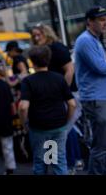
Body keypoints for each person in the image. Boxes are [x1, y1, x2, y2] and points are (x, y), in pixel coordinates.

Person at [74, 6, 106, 175]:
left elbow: (99, 70)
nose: (105, 24)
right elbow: (100, 67)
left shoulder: (94, 40)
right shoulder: (85, 40)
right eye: (101, 20)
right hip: (97, 100)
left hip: (103, 98)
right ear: (90, 22)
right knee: (101, 147)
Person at [30, 23, 83, 173]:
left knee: (64, 129)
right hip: (61, 95)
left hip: (68, 94)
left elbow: (70, 70)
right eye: (33, 35)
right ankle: (68, 163)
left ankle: (71, 163)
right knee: (62, 129)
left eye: (38, 34)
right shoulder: (43, 51)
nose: (36, 37)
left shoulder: (57, 48)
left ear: (46, 33)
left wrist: (61, 92)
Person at [19, 45, 76, 175]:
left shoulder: (28, 81)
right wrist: (66, 122)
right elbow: (72, 104)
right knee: (58, 161)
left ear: (31, 62)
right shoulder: (59, 78)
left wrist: (25, 125)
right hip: (58, 127)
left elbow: (23, 107)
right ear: (49, 59)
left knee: (40, 163)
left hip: (38, 128)